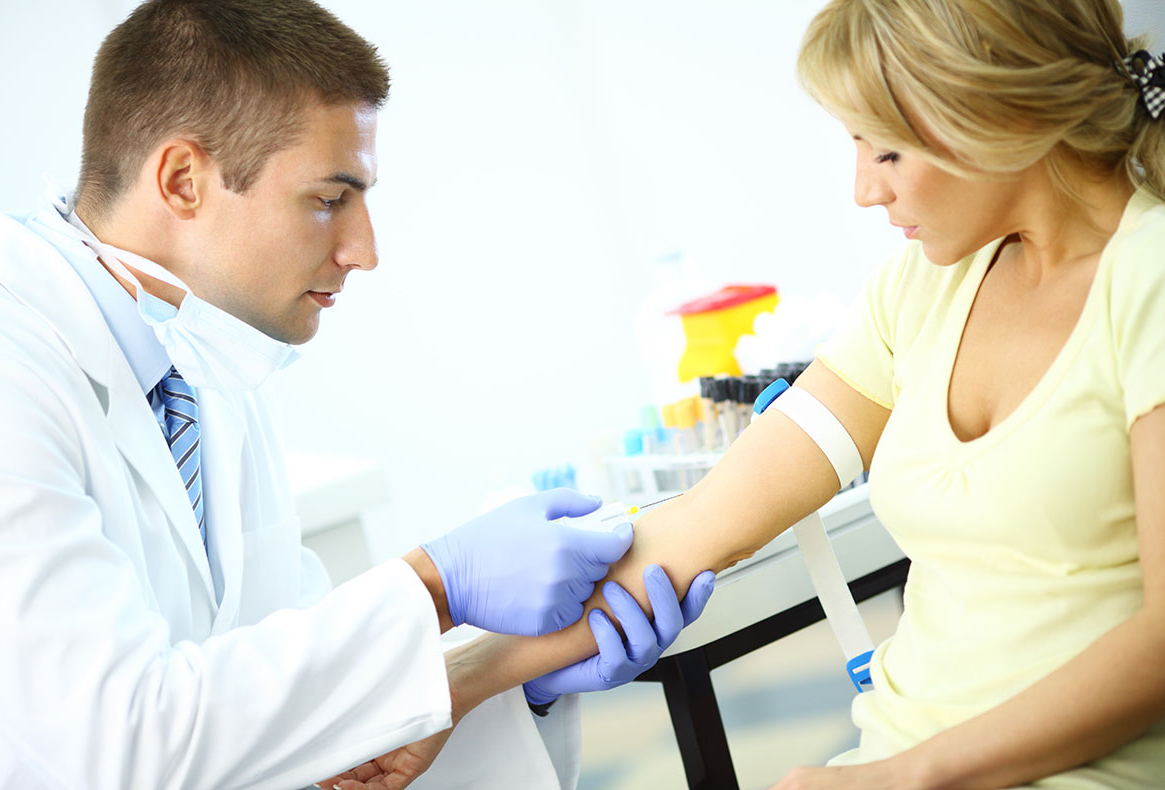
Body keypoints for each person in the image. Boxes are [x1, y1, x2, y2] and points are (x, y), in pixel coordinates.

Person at [333, 1, 1165, 788]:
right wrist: (449, 688)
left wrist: (908, 775)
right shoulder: (920, 291)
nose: (862, 190)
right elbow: (698, 529)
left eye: (884, 152)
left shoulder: (1149, 279)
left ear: (997, 118)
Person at [0, 1, 716, 788]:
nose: (363, 251)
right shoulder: (3, 370)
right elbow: (116, 746)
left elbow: (290, 720)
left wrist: (504, 678)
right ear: (182, 180)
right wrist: (435, 586)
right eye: (330, 199)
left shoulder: (201, 354)